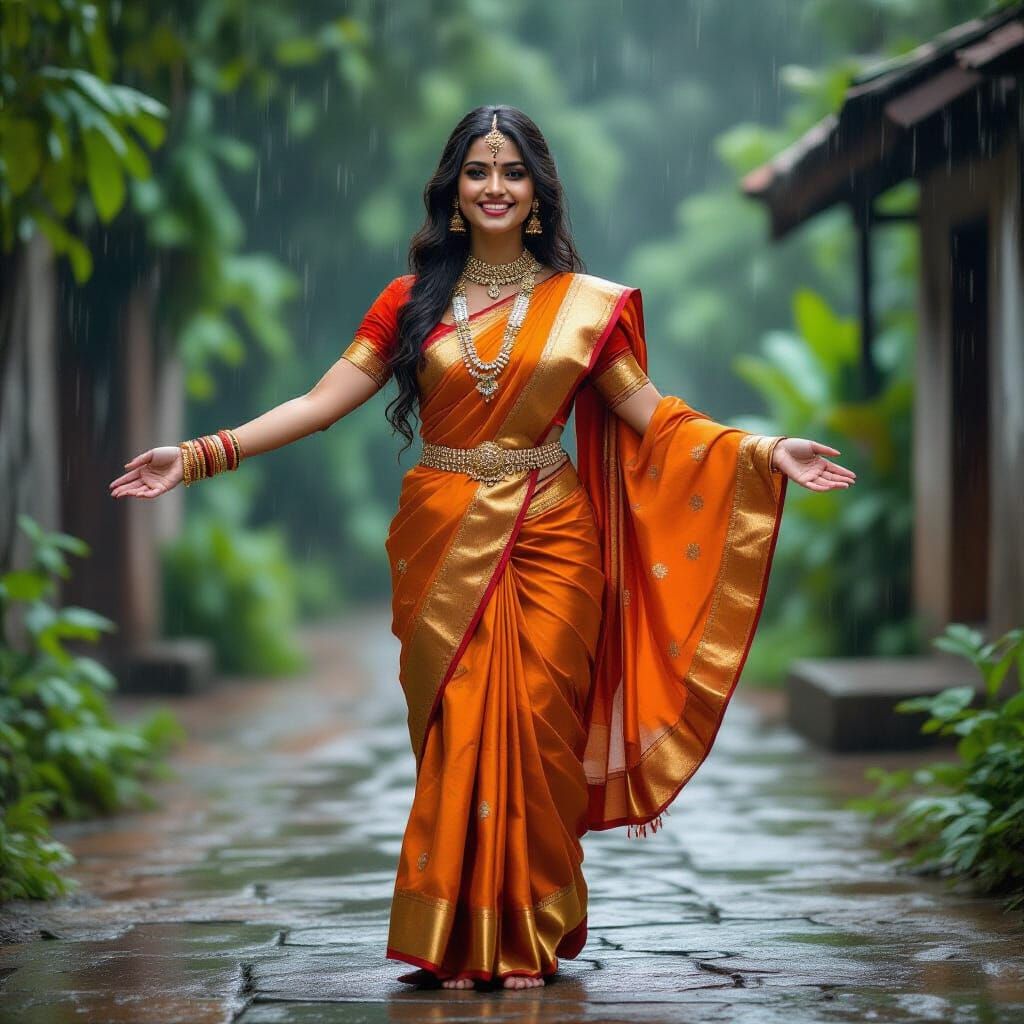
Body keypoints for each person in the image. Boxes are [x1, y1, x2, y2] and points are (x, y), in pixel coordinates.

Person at [109, 105, 856, 991]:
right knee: (462, 722)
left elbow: (655, 418)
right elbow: (318, 402)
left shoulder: (584, 309)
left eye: (511, 172)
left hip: (553, 536)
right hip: (441, 529)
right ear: (453, 193)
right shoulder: (408, 302)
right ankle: (458, 936)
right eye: (477, 171)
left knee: (539, 730)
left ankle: (526, 933)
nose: (494, 187)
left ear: (537, 193)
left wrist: (767, 450)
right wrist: (196, 456)